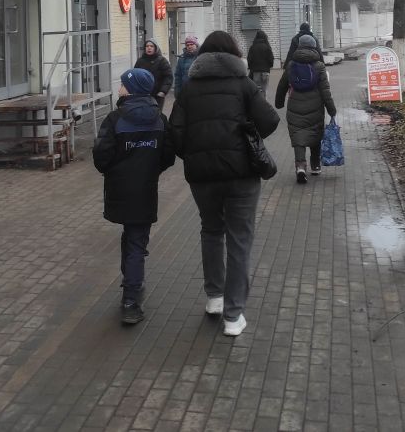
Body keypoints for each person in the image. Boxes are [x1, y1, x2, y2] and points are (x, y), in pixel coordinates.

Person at [169, 30, 280, 338]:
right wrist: (248, 133)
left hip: (202, 177)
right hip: (241, 175)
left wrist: (195, 154)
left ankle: (215, 298)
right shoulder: (244, 84)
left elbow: (175, 132)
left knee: (211, 231)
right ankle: (234, 316)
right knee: (239, 239)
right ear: (234, 54)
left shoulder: (190, 88)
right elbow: (270, 121)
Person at [93, 68, 176, 326]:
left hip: (120, 189)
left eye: (122, 84)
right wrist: (150, 170)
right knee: (136, 239)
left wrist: (116, 171)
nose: (119, 88)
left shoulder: (115, 119)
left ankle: (130, 298)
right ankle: (132, 289)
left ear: (131, 89)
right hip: (146, 189)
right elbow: (168, 156)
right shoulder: (160, 119)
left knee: (132, 240)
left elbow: (101, 156)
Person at [275, 33, 336, 184]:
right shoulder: (319, 66)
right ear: (314, 46)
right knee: (315, 134)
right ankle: (315, 166)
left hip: (294, 107)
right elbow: (325, 91)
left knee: (298, 137)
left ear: (299, 46)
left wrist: (279, 102)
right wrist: (331, 109)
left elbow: (282, 85)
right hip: (315, 107)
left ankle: (300, 167)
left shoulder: (291, 64)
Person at [135, 40, 173, 111]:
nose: (149, 48)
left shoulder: (162, 61)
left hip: (157, 95)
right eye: (147, 46)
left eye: (151, 46)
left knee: (156, 114)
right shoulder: (140, 61)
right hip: (142, 95)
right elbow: (135, 76)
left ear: (155, 48)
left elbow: (168, 77)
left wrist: (163, 91)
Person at [246, 30, 275, 97]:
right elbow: (271, 59)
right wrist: (269, 66)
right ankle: (264, 102)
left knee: (257, 90)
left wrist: (251, 67)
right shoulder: (267, 47)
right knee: (264, 90)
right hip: (265, 71)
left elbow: (249, 59)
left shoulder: (252, 47)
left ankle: (257, 102)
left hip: (255, 71)